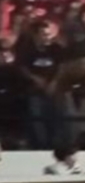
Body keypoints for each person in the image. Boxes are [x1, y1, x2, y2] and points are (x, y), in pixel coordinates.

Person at [17, 20, 65, 149]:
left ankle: (55, 143)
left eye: (49, 34)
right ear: (36, 35)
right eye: (44, 34)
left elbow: (61, 67)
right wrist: (35, 79)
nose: (47, 37)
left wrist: (53, 82)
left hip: (53, 88)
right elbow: (22, 67)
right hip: (33, 89)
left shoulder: (56, 48)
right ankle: (40, 144)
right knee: (36, 116)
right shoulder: (26, 49)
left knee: (56, 116)